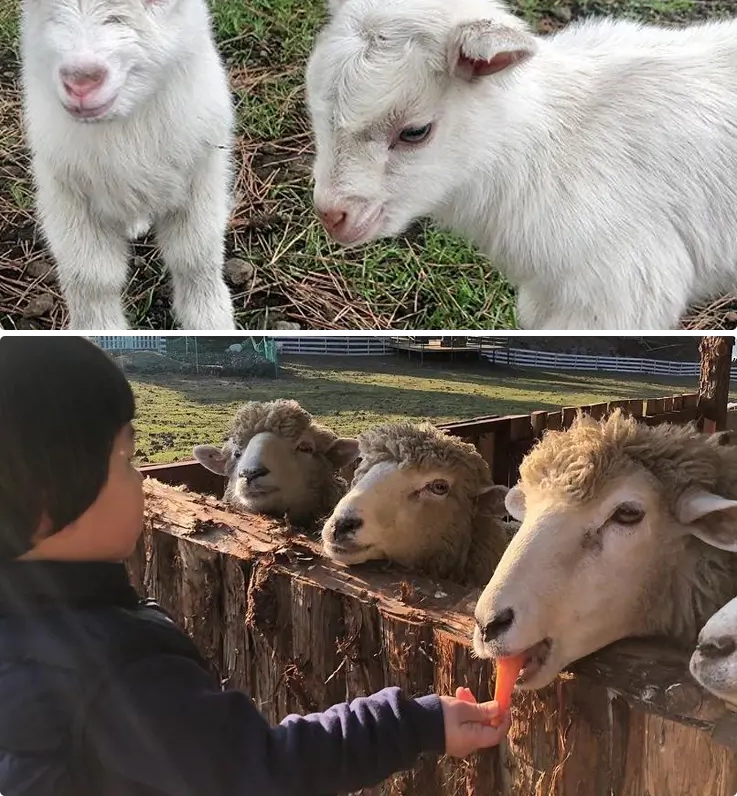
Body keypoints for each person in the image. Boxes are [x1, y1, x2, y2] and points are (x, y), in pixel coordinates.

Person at [0, 332, 510, 796]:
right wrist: (414, 723)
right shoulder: (120, 671)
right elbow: (265, 767)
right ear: (46, 505)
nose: (141, 480)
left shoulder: (45, 631)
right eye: (126, 461)